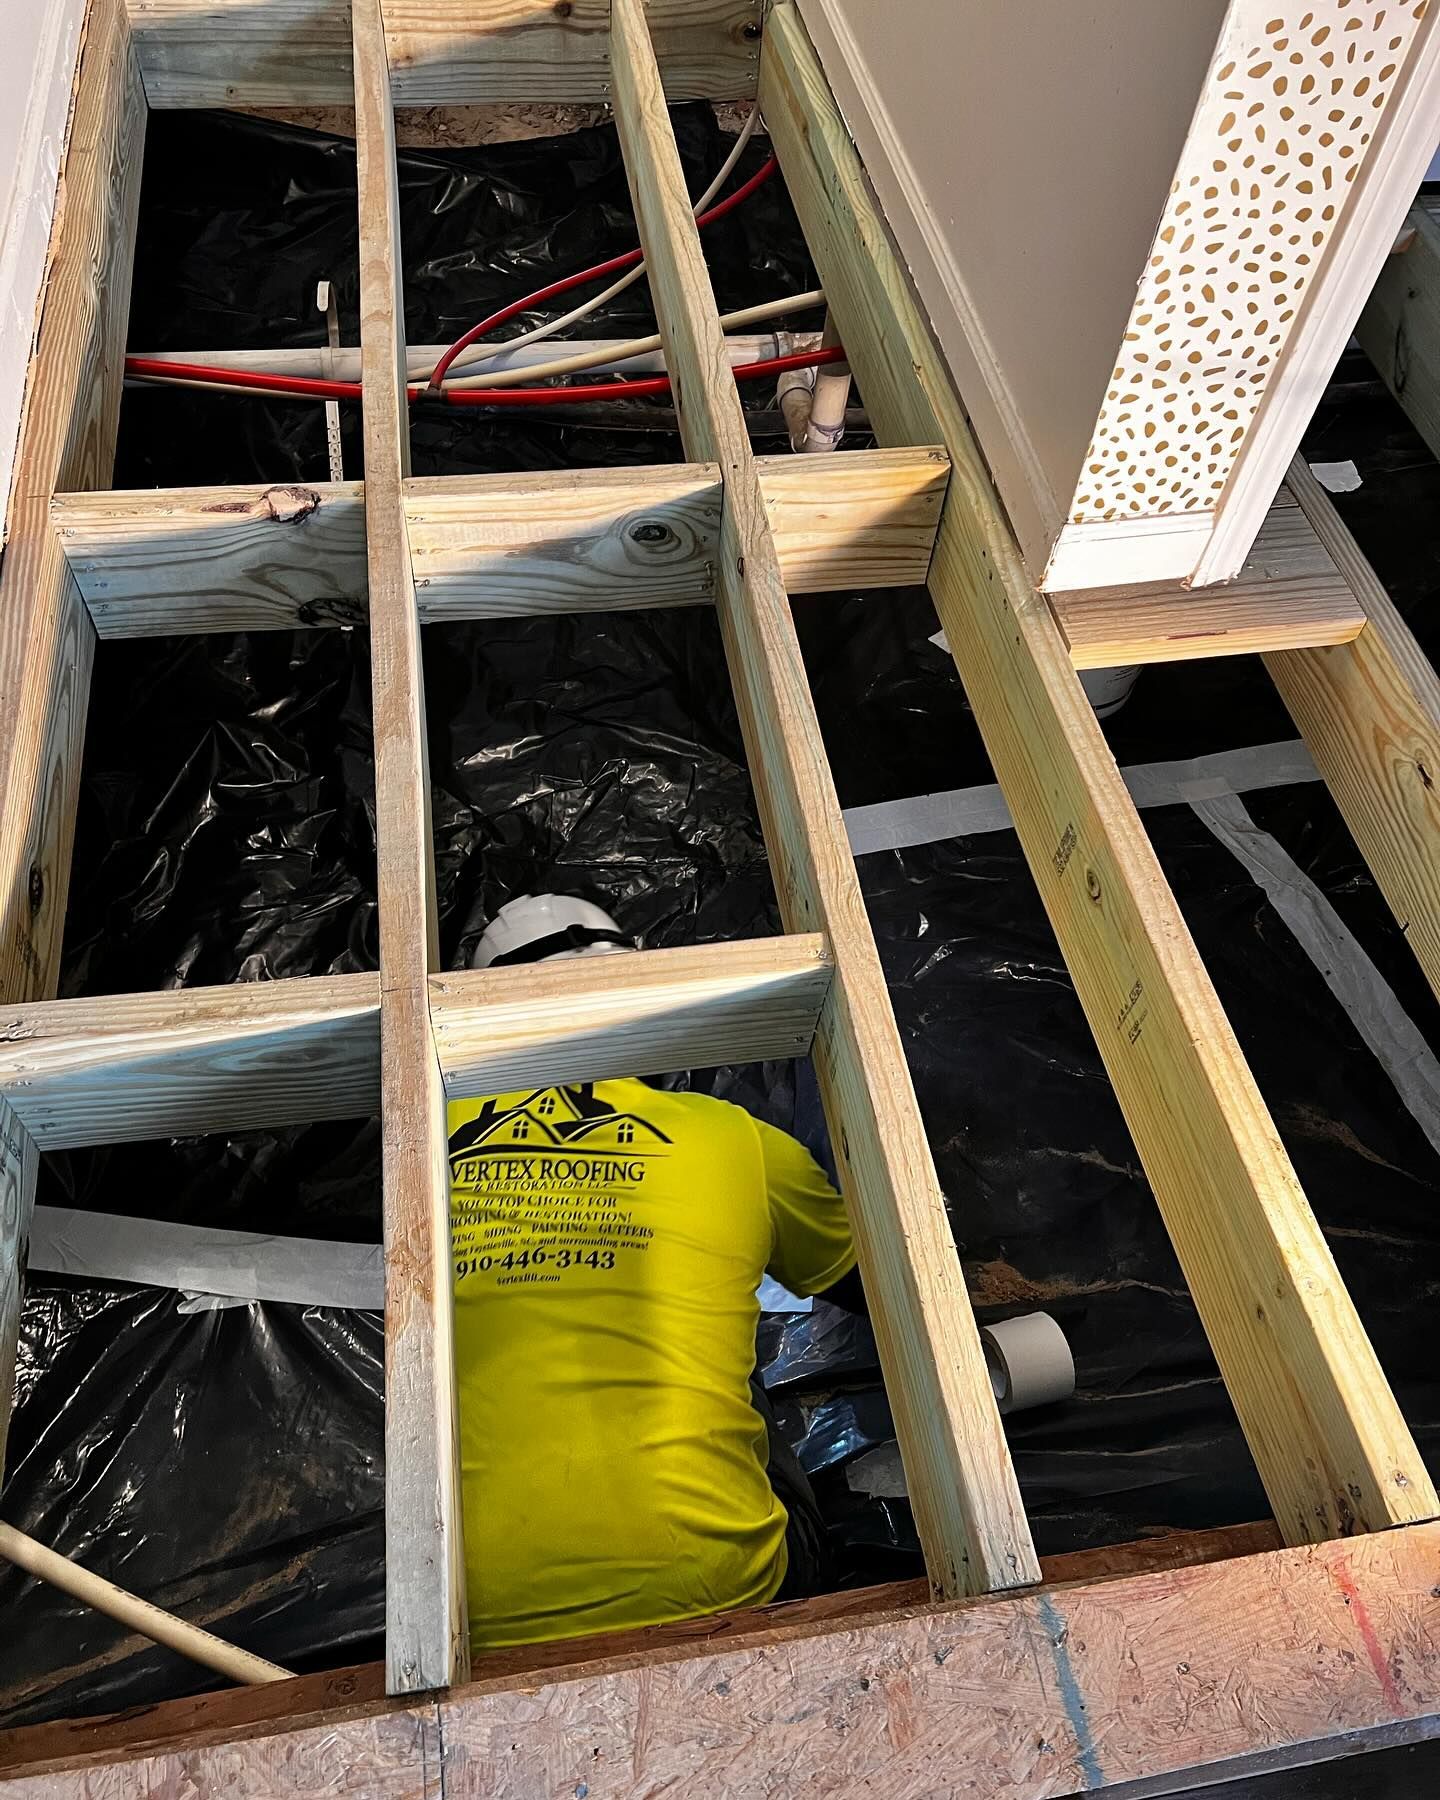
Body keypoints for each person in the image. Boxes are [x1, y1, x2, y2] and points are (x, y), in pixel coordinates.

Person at [448, 893, 862, 1654]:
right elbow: (876, 1293)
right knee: (732, 1362)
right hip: (724, 1588)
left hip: (466, 1613)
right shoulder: (735, 1137)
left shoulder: (416, 1150)